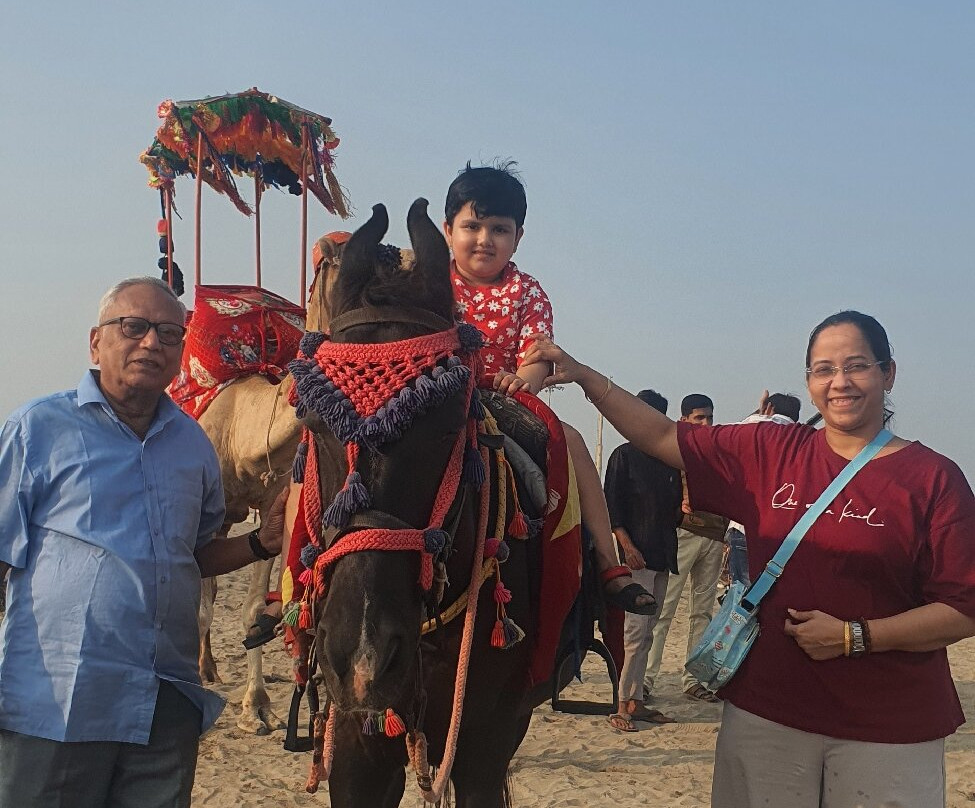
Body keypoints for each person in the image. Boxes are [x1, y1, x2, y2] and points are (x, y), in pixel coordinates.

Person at [522, 311, 975, 808]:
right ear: (808, 381)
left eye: (857, 366)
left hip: (888, 726)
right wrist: (584, 376)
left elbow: (962, 606)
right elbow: (663, 437)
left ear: (888, 374)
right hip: (768, 710)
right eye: (823, 369)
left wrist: (855, 637)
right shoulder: (771, 449)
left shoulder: (932, 478)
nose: (840, 382)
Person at [0, 277, 289, 808]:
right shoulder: (37, 430)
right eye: (133, 327)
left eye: (169, 334)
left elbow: (194, 552)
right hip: (59, 700)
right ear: (96, 342)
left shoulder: (192, 444)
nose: (151, 343)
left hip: (163, 702)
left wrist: (260, 544)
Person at [443, 161, 654, 614]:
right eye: (472, 226)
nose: (484, 239)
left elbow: (538, 354)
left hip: (502, 400)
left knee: (572, 442)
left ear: (518, 237)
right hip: (433, 401)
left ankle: (605, 560)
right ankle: (299, 576)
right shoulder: (427, 283)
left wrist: (524, 381)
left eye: (498, 228)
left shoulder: (528, 292)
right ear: (447, 230)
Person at [603, 390, 684, 732]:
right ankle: (622, 704)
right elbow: (611, 509)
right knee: (635, 633)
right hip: (636, 556)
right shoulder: (623, 456)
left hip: (664, 554)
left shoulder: (669, 461)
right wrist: (627, 546)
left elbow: (676, 512)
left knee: (648, 632)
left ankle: (636, 700)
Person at [644, 394, 728, 704]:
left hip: (715, 534)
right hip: (685, 533)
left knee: (702, 613)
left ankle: (694, 680)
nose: (705, 423)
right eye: (698, 418)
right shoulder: (675, 448)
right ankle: (646, 681)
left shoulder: (716, 450)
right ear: (684, 420)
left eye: (708, 417)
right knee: (664, 610)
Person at [724, 391, 802, 586]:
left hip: (744, 526)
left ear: (768, 408)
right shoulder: (804, 440)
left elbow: (726, 437)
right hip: (782, 531)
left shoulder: (755, 426)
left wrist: (761, 411)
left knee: (740, 591)